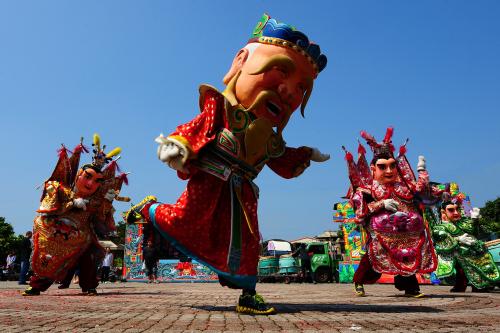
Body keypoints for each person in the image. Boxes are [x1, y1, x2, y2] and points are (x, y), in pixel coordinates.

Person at [126, 13, 329, 314]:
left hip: (243, 197)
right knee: (183, 224)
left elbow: (282, 160)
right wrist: (177, 146)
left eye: (301, 88)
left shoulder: (268, 139)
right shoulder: (219, 109)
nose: (288, 91)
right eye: (279, 71)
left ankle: (247, 294)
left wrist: (305, 154)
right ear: (240, 62)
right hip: (208, 185)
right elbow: (194, 129)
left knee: (248, 246)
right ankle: (150, 209)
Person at [23, 134, 128, 296]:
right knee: (51, 260)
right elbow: (47, 208)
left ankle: (89, 285)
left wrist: (106, 204)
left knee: (88, 259)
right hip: (56, 235)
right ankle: (36, 286)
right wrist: (72, 203)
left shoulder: (95, 201)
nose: (91, 184)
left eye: (97, 181)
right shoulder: (60, 189)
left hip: (81, 238)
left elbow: (101, 222)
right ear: (79, 174)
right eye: (88, 177)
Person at [343, 127, 440, 298]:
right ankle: (359, 281)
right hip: (382, 232)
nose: (389, 171)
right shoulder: (368, 188)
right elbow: (361, 211)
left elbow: (423, 191)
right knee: (374, 256)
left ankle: (410, 288)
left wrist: (422, 171)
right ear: (373, 168)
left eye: (392, 166)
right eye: (383, 167)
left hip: (407, 230)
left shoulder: (404, 185)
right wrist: (381, 204)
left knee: (408, 254)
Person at [431, 194, 500, 292]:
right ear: (443, 212)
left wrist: (475, 220)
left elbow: (474, 231)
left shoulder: (463, 223)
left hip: (476, 250)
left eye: (457, 209)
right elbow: (440, 236)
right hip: (459, 252)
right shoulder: (441, 227)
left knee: (483, 264)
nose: (455, 212)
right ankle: (471, 285)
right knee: (465, 266)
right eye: (451, 210)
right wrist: (458, 239)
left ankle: (481, 284)